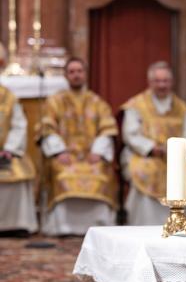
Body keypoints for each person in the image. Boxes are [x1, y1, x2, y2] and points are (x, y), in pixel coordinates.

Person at [121, 61, 186, 226]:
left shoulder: (181, 108)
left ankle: (183, 224)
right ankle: (146, 224)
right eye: (157, 81)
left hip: (176, 158)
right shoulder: (136, 105)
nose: (162, 85)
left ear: (172, 82)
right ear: (150, 82)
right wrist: (151, 148)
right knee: (147, 172)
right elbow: (130, 133)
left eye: (165, 81)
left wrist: (181, 152)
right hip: (146, 155)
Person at [39, 57, 118, 235]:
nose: (76, 75)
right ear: (66, 75)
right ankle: (62, 227)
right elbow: (46, 128)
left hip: (92, 157)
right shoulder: (54, 101)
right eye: (72, 72)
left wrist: (98, 151)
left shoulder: (97, 102)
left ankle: (99, 227)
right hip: (65, 156)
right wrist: (59, 151)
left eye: (79, 71)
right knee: (61, 173)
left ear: (85, 74)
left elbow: (107, 129)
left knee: (100, 171)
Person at [0, 84, 37, 234]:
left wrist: (9, 149)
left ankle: (17, 224)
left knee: (18, 173)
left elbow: (19, 125)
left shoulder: (7, 96)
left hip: (6, 152)